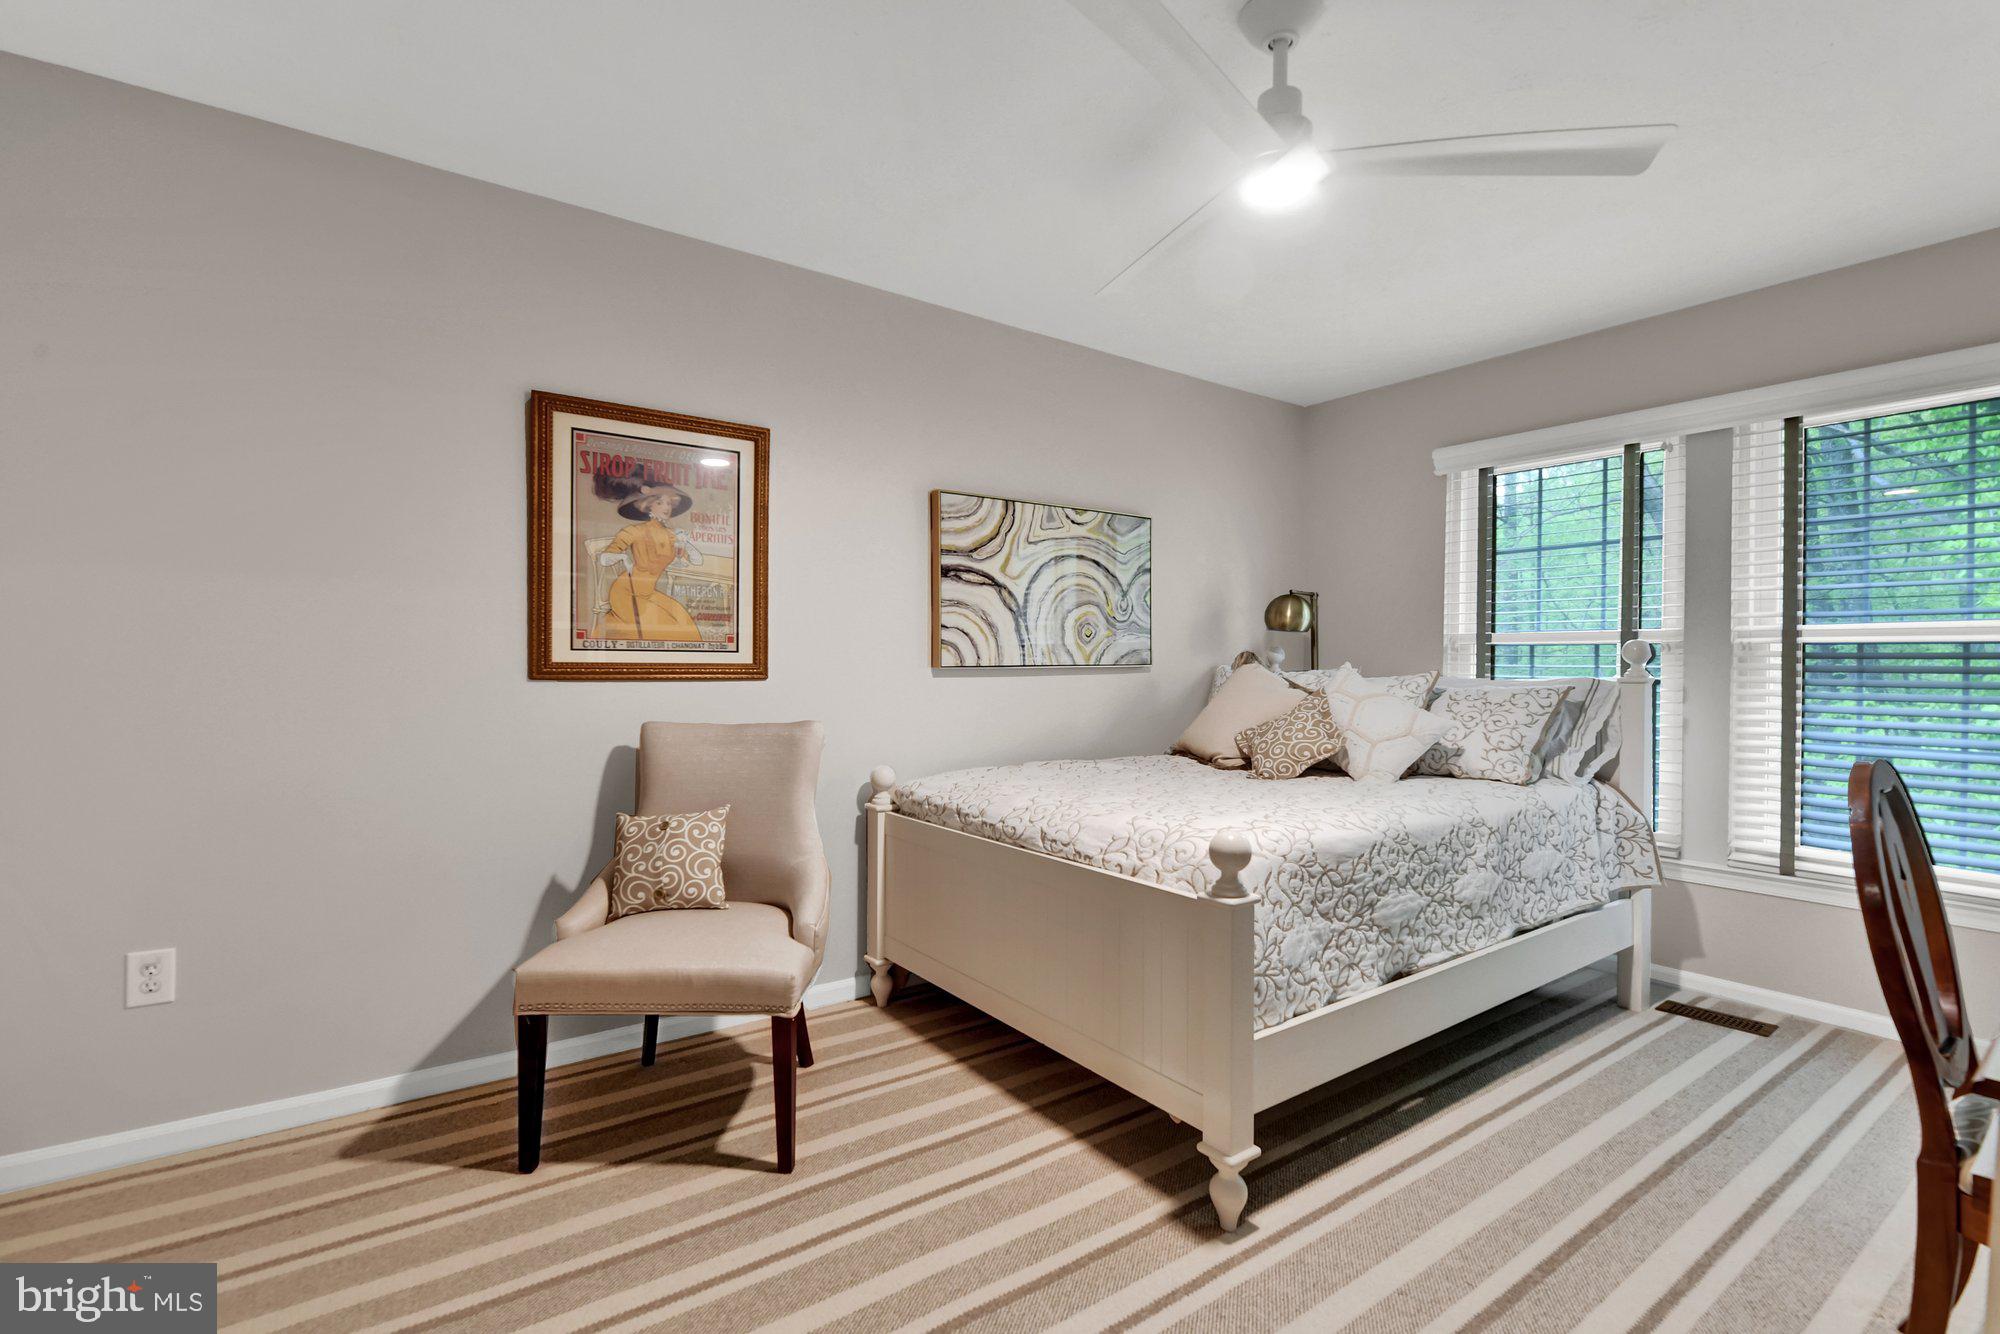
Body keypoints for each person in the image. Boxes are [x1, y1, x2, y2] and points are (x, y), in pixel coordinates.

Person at [595, 482, 706, 642]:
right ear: (648, 506)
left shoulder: (672, 535)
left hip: (649, 593)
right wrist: (622, 557)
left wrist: (687, 544)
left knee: (684, 622)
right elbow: (605, 559)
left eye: (669, 503)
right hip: (626, 592)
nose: (666, 507)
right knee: (666, 628)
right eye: (660, 502)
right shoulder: (635, 531)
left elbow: (697, 561)